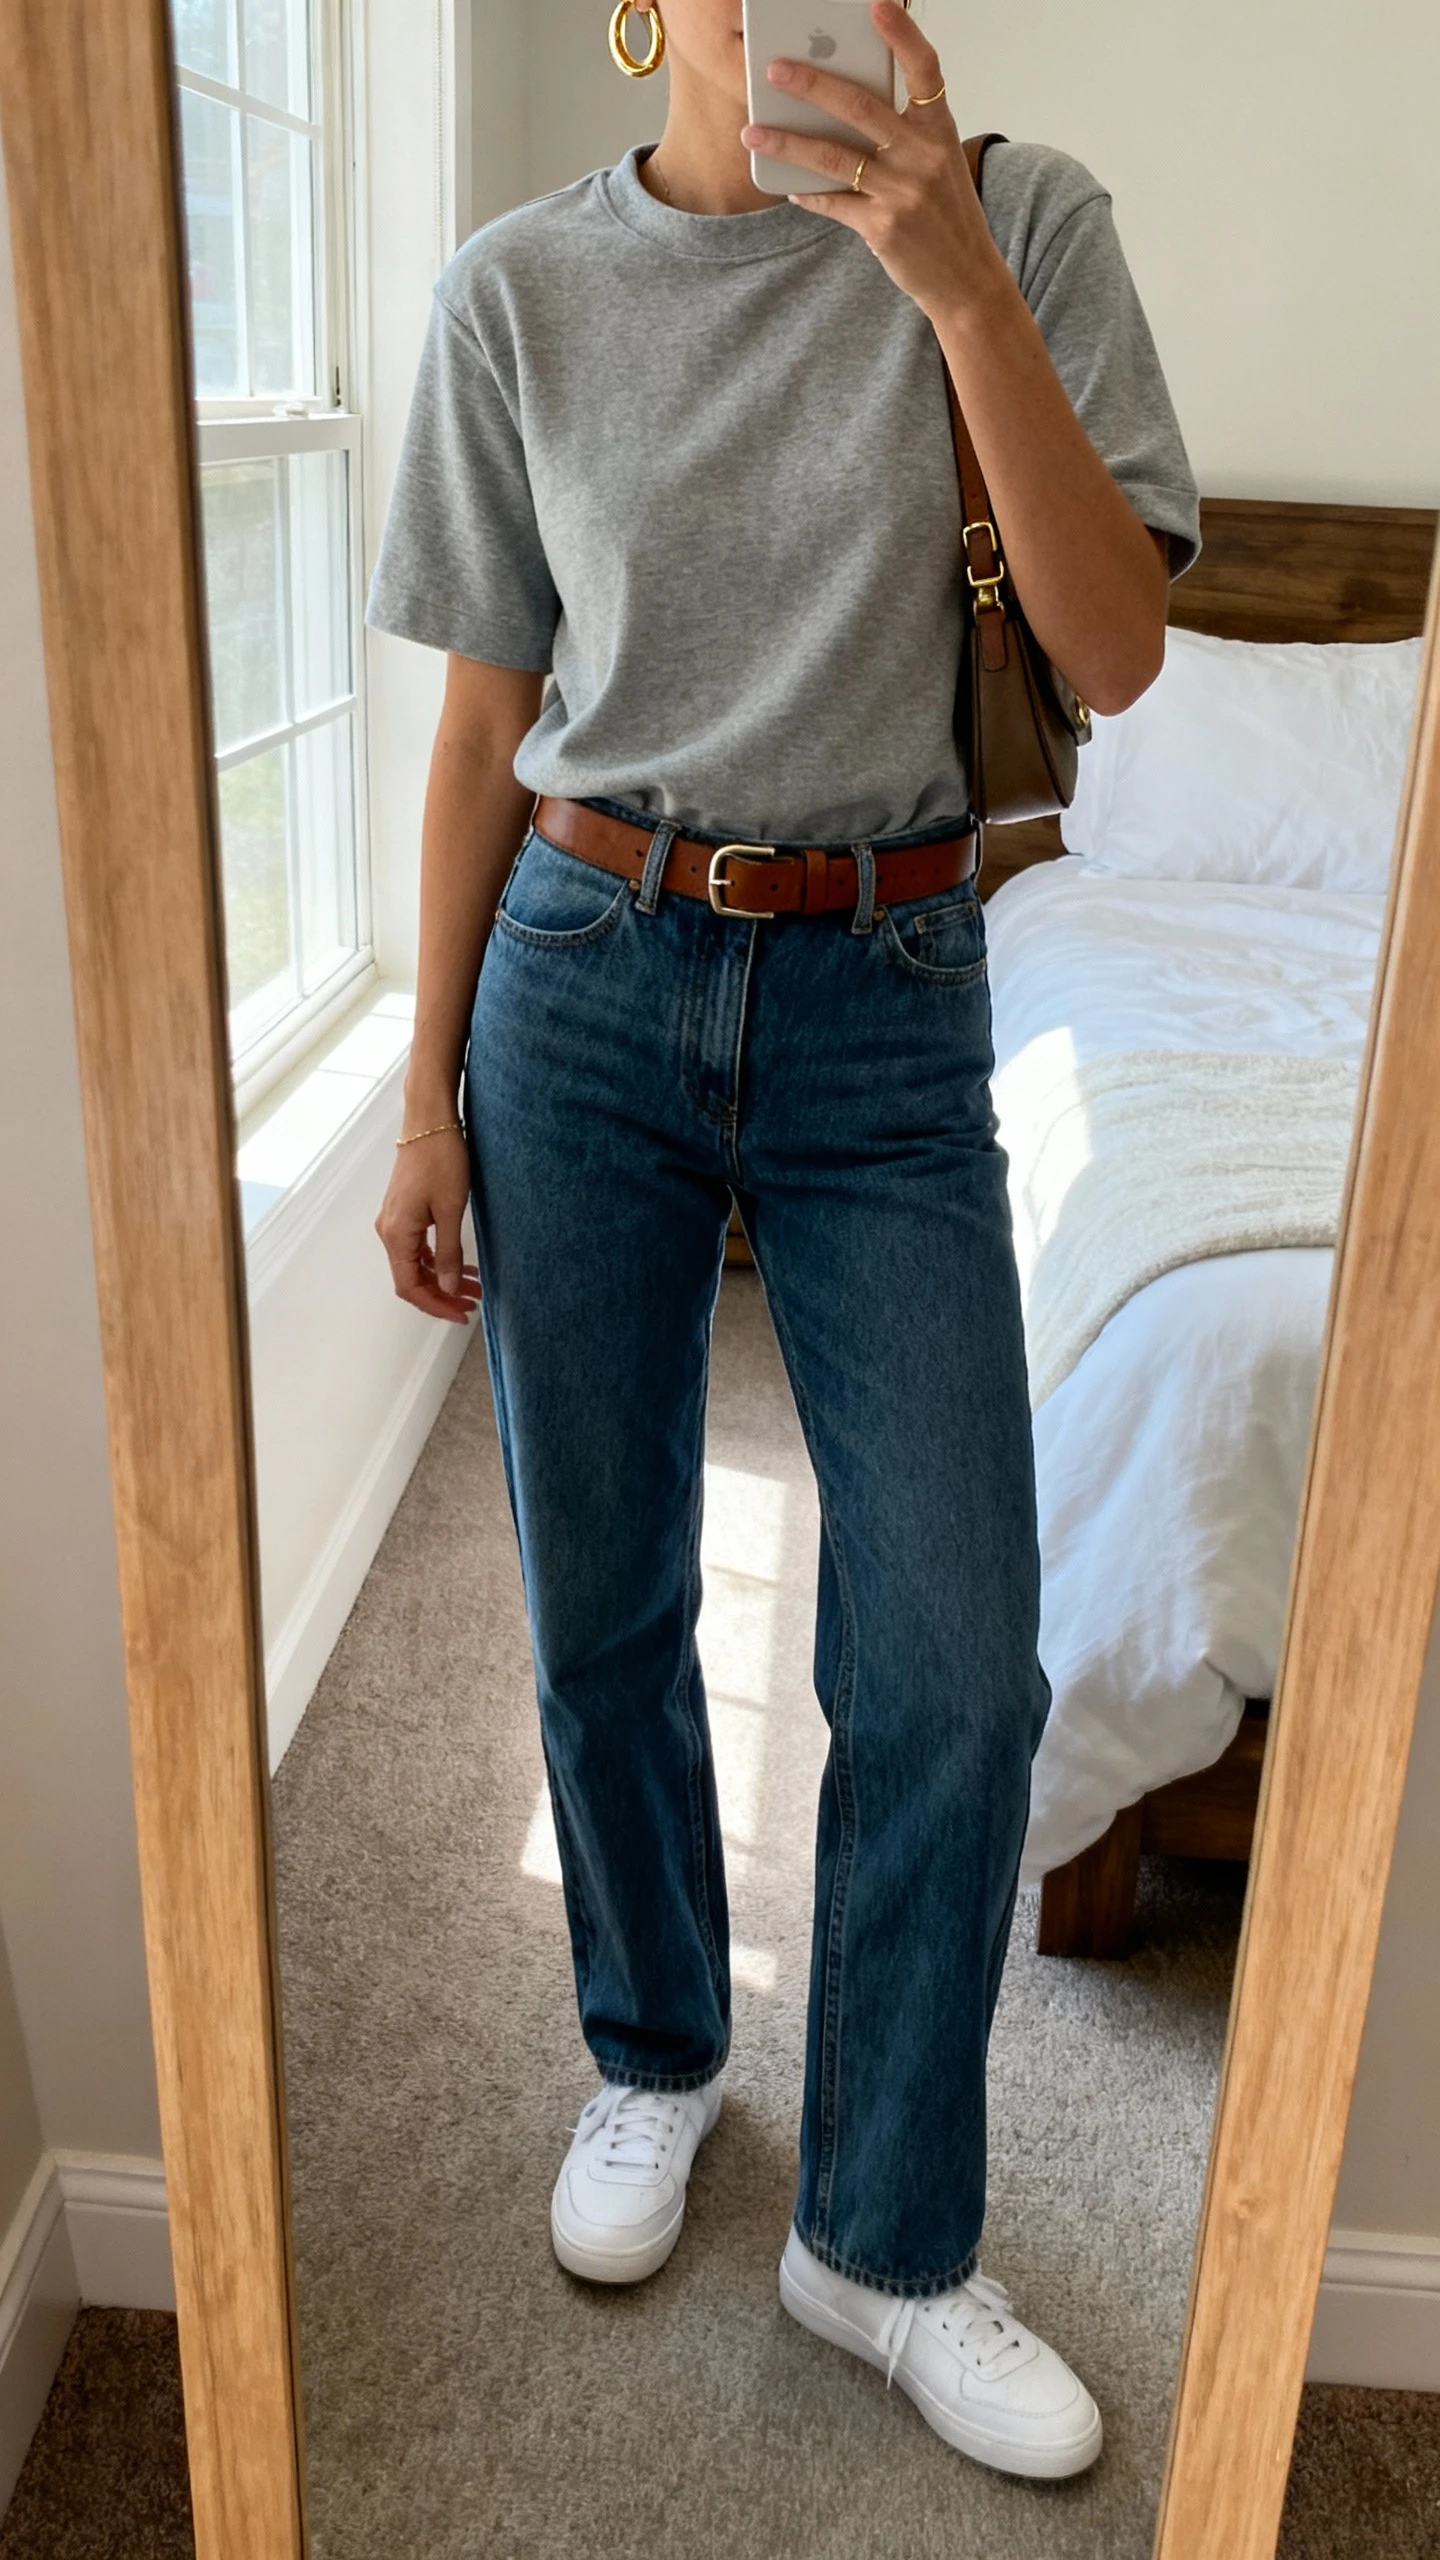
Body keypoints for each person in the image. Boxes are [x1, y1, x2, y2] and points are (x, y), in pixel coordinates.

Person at [369, 0, 1198, 2483]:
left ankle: (888, 2232)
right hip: (583, 976)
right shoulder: (516, 292)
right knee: (602, 1586)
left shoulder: (1029, 223)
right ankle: (652, 2048)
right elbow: (480, 718)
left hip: (895, 991)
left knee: (955, 1657)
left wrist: (954, 290)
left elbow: (1118, 656)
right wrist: (418, 1090)